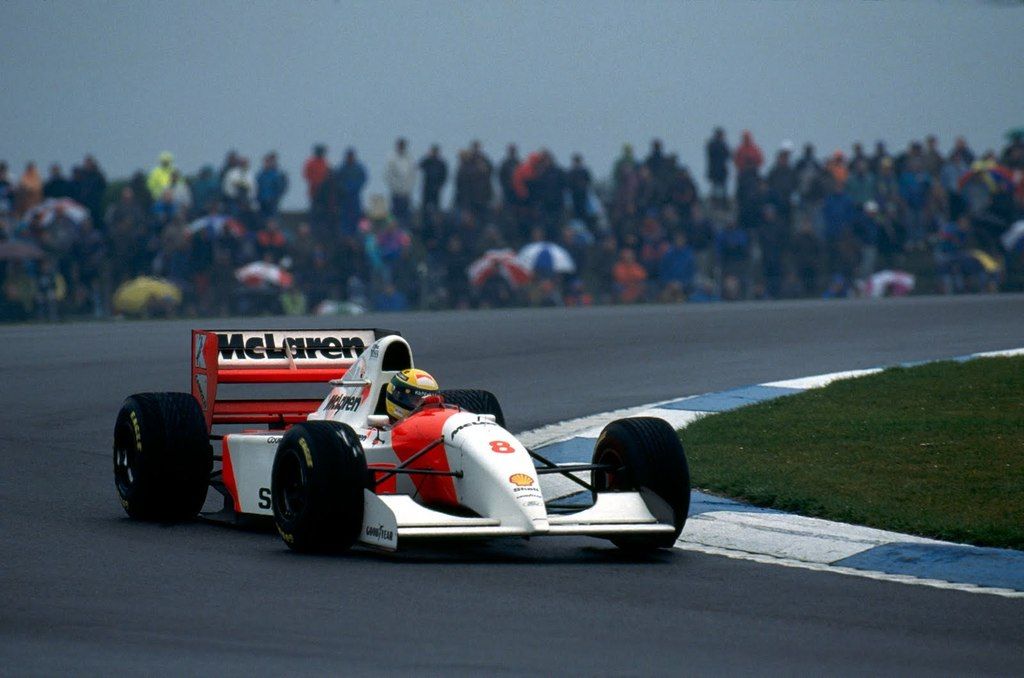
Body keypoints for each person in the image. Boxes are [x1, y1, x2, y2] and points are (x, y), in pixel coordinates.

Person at [385, 138, 416, 225]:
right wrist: (395, 188)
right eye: (400, 145)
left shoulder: (410, 158)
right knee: (394, 215)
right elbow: (388, 175)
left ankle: (404, 234)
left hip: (406, 193)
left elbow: (413, 175)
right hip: (396, 193)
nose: (402, 147)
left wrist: (409, 188)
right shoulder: (391, 158)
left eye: (403, 145)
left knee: (406, 216)